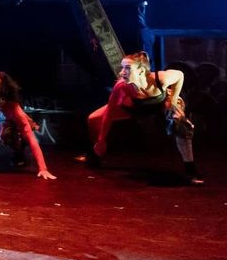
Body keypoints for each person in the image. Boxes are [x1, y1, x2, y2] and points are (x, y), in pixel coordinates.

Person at [81, 51, 201, 184]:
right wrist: (102, 140)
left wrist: (173, 99)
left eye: (127, 68)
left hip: (161, 104)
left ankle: (191, 170)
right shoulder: (122, 86)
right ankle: (96, 153)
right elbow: (109, 112)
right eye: (122, 67)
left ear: (141, 71)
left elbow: (180, 75)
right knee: (93, 119)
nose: (122, 72)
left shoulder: (160, 78)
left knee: (180, 123)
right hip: (137, 108)